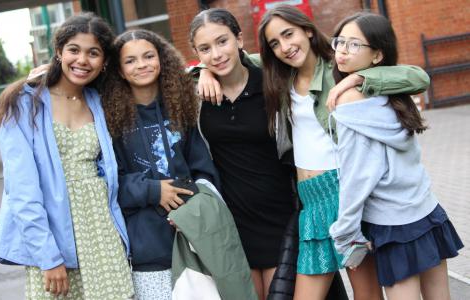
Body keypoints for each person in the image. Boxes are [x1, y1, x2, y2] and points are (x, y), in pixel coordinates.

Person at [198, 5, 431, 300]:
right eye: (274, 43)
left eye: (289, 34)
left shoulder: (339, 65)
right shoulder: (276, 74)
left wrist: (357, 78)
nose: (285, 47)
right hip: (311, 199)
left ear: (307, 30)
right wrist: (203, 70)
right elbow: (229, 59)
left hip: (346, 192)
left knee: (366, 294)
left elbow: (417, 77)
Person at [0, 13, 134, 299]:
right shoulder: (22, 105)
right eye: (74, 50)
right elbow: (21, 191)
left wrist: (206, 73)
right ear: (59, 52)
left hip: (101, 232)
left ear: (104, 61)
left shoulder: (100, 100)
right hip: (53, 235)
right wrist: (48, 256)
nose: (82, 60)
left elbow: (154, 81)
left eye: (93, 53)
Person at [327, 12, 463, 300]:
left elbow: (357, 176)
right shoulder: (396, 92)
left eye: (354, 45)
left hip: (391, 224)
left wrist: (345, 230)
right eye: (340, 41)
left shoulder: (350, 104)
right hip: (427, 210)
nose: (341, 50)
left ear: (377, 55)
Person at [189, 8, 306, 300]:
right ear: (197, 53)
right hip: (232, 224)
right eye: (205, 49)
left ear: (239, 39)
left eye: (222, 41)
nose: (216, 54)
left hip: (281, 216)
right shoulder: (196, 96)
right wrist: (199, 72)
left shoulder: (273, 83)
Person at [100, 29, 220, 300]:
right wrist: (153, 191)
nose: (141, 65)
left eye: (148, 56)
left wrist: (192, 208)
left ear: (161, 59)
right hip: (149, 250)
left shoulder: (181, 107)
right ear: (118, 70)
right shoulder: (110, 120)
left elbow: (203, 170)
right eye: (130, 60)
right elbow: (109, 182)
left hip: (193, 240)